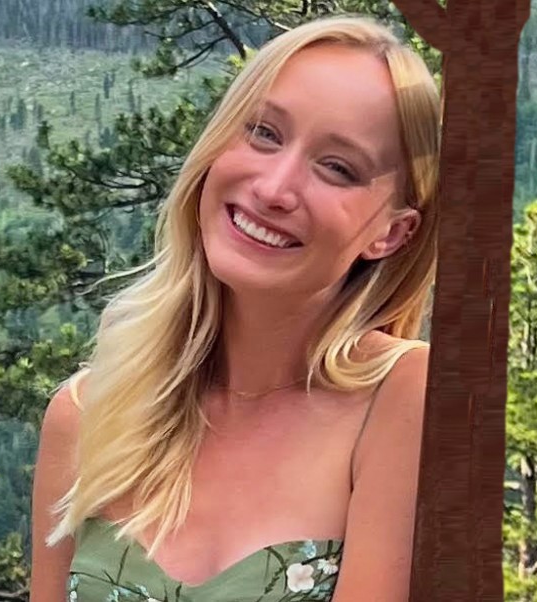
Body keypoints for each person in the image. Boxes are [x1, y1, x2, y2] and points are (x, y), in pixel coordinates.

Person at [30, 14, 440, 602]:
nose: (274, 189)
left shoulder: (400, 397)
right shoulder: (88, 415)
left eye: (337, 168)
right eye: (264, 133)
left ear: (392, 234)